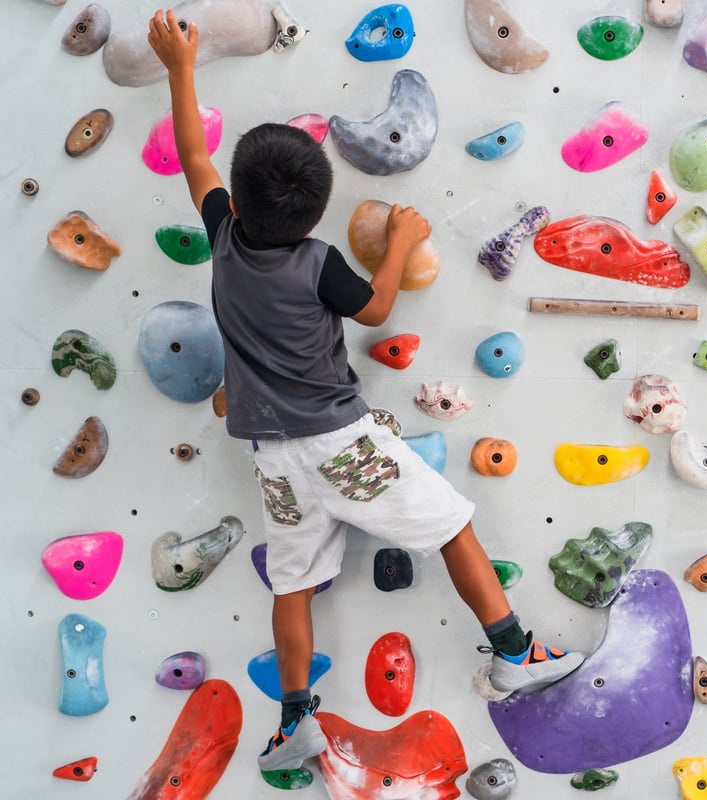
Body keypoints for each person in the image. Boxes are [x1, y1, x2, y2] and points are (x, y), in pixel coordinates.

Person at [146, 9, 583, 773]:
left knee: (294, 584)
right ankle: (515, 652)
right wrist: (405, 245)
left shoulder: (222, 237)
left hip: (274, 458)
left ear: (241, 205)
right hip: (340, 445)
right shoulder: (318, 264)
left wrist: (183, 69)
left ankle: (292, 724)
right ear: (316, 213)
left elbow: (193, 156)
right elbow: (378, 309)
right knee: (452, 525)